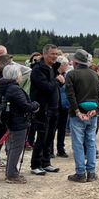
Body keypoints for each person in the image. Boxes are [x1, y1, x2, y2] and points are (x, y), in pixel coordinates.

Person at [64, 49, 99, 182]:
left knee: (78, 144)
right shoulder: (95, 75)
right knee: (91, 142)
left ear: (75, 62)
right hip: (92, 113)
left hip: (77, 115)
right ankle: (91, 173)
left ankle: (80, 173)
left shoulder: (71, 75)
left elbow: (71, 95)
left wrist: (77, 111)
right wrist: (97, 109)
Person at [0, 63, 39, 184]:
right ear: (16, 75)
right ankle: (12, 174)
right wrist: (35, 105)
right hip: (18, 121)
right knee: (16, 147)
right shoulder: (15, 89)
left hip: (11, 120)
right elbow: (25, 106)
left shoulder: (4, 87)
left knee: (11, 146)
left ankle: (10, 171)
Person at [29, 45, 62, 175]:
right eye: (52, 54)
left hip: (54, 108)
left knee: (50, 137)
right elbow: (46, 87)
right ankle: (35, 164)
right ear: (45, 55)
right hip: (43, 109)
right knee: (42, 137)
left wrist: (57, 80)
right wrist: (57, 81)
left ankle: (46, 162)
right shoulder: (38, 70)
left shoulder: (52, 68)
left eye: (56, 54)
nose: (54, 56)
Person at [54, 55, 70, 159]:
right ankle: (49, 150)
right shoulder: (54, 75)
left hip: (64, 106)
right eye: (66, 65)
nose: (68, 67)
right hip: (55, 105)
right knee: (51, 129)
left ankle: (60, 149)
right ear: (62, 65)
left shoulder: (66, 75)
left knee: (62, 129)